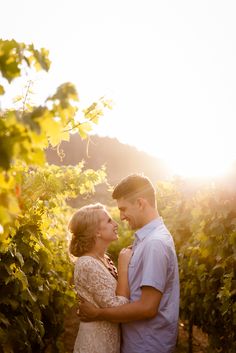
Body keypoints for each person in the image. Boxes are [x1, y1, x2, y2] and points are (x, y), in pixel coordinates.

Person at [79, 174, 180, 353]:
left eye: (124, 209)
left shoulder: (154, 244)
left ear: (140, 203)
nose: (122, 217)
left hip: (147, 346)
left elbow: (147, 308)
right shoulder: (146, 240)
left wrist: (98, 314)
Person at [68, 203, 132, 353]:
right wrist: (123, 267)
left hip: (108, 344)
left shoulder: (104, 260)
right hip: (95, 346)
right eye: (109, 221)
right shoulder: (87, 264)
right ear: (96, 231)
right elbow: (118, 309)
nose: (116, 224)